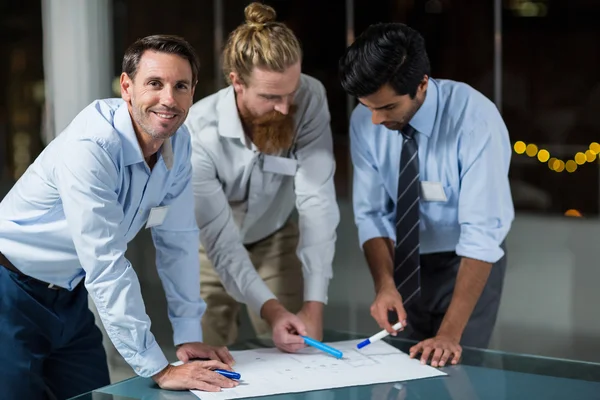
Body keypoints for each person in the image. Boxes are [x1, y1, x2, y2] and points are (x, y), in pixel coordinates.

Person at [0, 35, 239, 400]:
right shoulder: (92, 148)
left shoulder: (180, 142)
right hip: (9, 290)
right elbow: (107, 263)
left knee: (94, 394)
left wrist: (188, 334)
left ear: (193, 92)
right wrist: (160, 369)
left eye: (181, 86)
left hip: (69, 295)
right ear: (127, 87)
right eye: (154, 84)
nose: (168, 100)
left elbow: (178, 239)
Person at [338, 23, 514, 367]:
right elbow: (371, 213)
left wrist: (449, 334)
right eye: (367, 106)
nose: (374, 120)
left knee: (455, 367)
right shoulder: (366, 119)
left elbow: (481, 235)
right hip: (402, 260)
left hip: (466, 261)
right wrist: (384, 284)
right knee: (399, 372)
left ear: (421, 84)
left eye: (387, 108)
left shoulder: (476, 120)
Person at [184, 2, 340, 353]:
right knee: (208, 355)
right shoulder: (198, 132)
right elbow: (222, 242)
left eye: (290, 92)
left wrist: (315, 304)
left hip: (276, 236)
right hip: (207, 246)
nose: (285, 107)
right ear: (236, 82)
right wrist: (271, 310)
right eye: (271, 97)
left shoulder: (309, 97)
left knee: (295, 348)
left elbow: (317, 200)